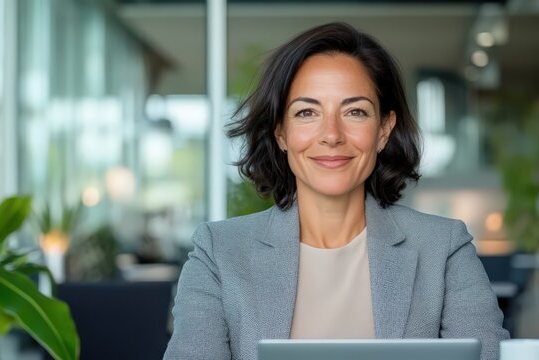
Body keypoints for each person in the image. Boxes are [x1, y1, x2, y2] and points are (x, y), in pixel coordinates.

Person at [163, 22, 509, 360]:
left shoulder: (444, 248)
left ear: (384, 130)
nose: (332, 134)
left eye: (355, 111)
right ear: (281, 132)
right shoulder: (218, 253)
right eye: (307, 112)